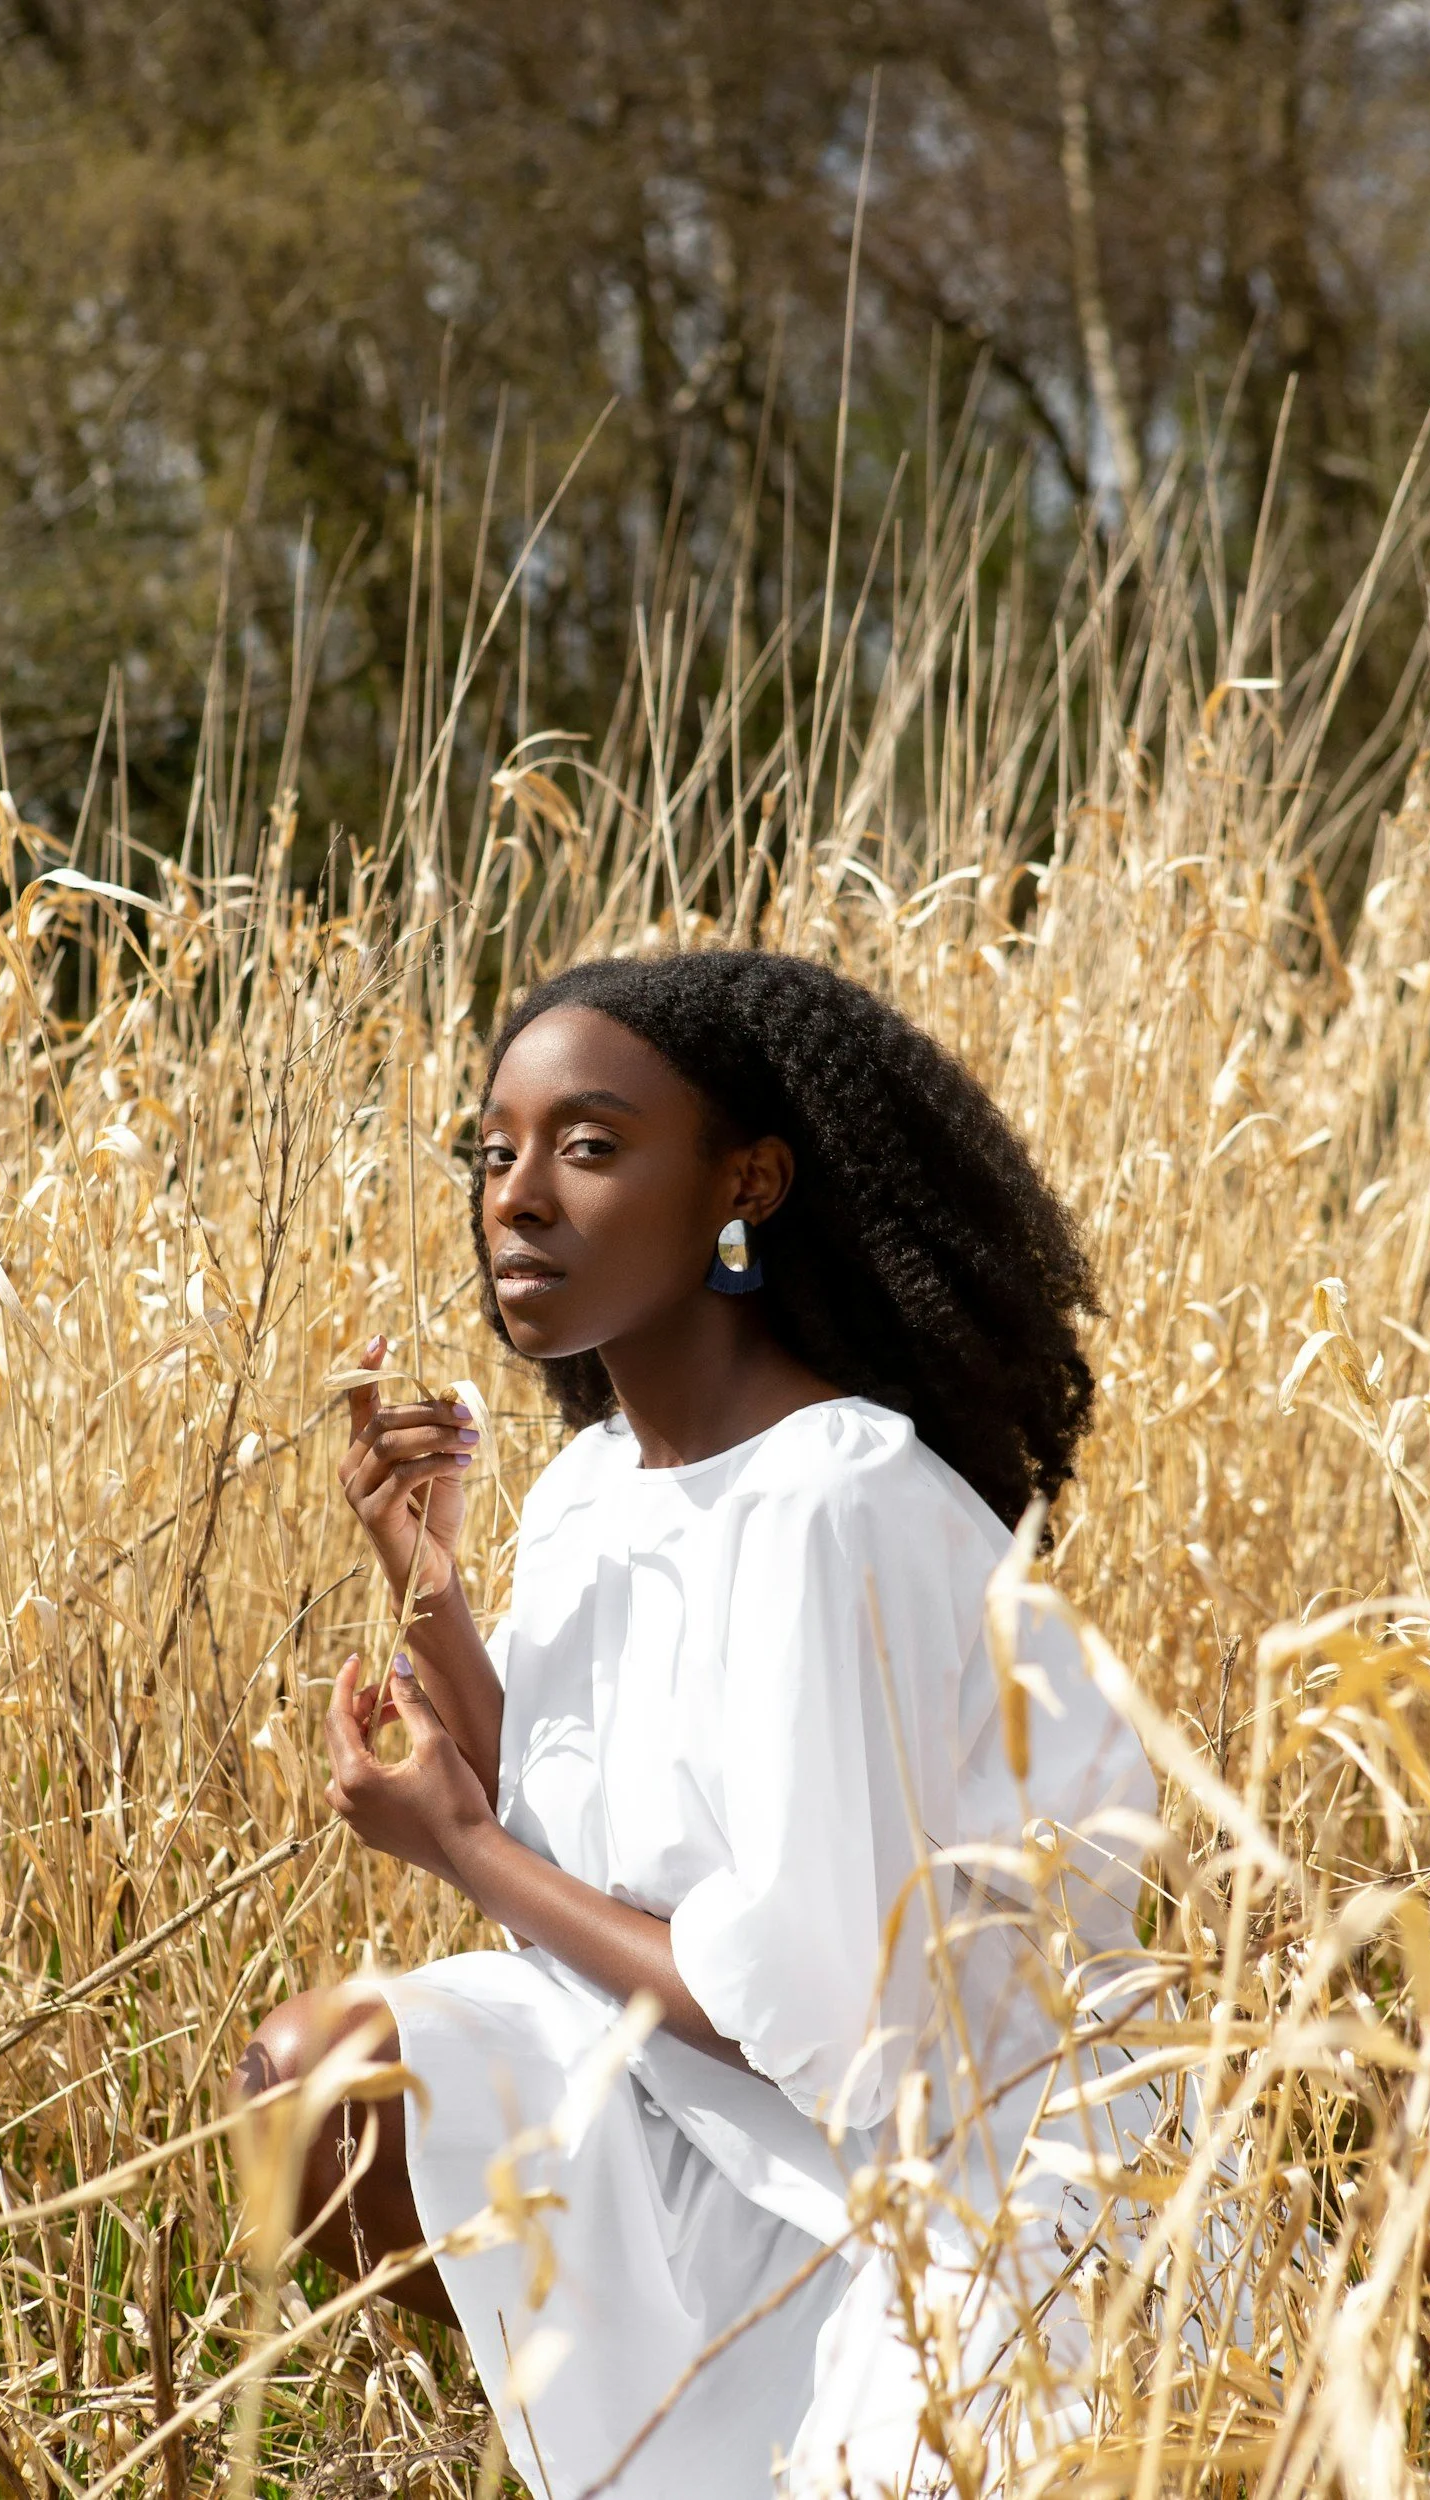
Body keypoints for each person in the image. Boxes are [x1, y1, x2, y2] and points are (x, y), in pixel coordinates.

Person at [234, 950, 1156, 2498]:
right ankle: (555, 2433)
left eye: (589, 1147)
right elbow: (572, 1817)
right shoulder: (603, 1482)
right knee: (316, 2081)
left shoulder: (834, 1498)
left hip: (917, 2186)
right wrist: (429, 1583)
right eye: (494, 1150)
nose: (518, 1196)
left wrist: (454, 1845)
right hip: (682, 2090)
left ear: (747, 1182)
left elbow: (794, 2011)